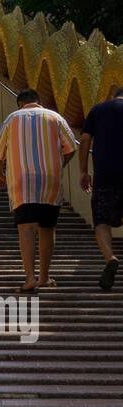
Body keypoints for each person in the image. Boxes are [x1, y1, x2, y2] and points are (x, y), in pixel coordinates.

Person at [0, 88, 77, 291]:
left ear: (20, 103)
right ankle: (44, 277)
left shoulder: (12, 119)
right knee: (47, 229)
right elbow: (71, 148)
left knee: (26, 229)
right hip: (50, 181)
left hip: (21, 182)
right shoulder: (55, 117)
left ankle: (30, 277)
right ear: (38, 101)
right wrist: (58, 165)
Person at [79, 86, 123, 290]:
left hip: (104, 176)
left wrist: (83, 171)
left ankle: (110, 258)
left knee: (101, 222)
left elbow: (85, 139)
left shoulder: (99, 109)